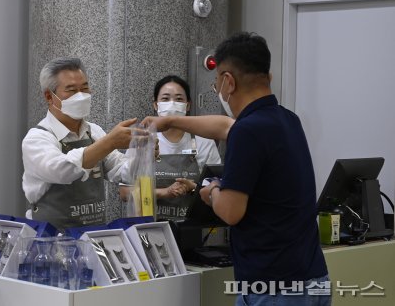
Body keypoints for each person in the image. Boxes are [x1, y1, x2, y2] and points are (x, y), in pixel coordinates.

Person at [143, 32, 330, 306]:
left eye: (217, 80)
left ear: (228, 81)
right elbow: (225, 126)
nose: (217, 88)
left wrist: (211, 190)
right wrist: (172, 121)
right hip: (312, 278)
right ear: (268, 77)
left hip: (270, 286)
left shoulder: (248, 131)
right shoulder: (287, 119)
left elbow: (231, 212)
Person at [22, 57, 136, 231]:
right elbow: (62, 171)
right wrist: (110, 142)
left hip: (94, 237)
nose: (81, 96)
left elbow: (121, 170)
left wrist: (142, 153)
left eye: (84, 88)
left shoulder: (94, 132)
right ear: (49, 96)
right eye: (72, 90)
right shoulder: (37, 139)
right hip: (51, 240)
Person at [120, 75, 222, 221]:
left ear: (188, 105)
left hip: (192, 228)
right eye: (165, 99)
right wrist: (164, 192)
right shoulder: (142, 140)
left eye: (179, 99)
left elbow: (217, 187)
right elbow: (124, 192)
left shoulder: (204, 141)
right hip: (149, 228)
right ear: (156, 105)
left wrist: (192, 187)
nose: (172, 104)